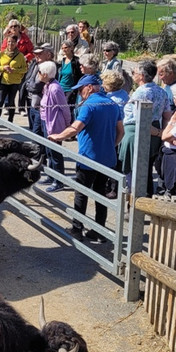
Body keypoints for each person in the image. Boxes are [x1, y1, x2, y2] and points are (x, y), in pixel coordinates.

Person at [50, 74, 124, 242]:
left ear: (89, 88)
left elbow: (75, 128)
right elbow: (121, 131)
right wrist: (111, 145)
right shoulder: (112, 104)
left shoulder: (89, 105)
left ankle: (77, 228)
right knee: (100, 194)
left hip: (88, 159)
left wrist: (57, 136)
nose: (79, 94)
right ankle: (99, 231)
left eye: (81, 90)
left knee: (81, 193)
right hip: (107, 160)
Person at [117, 60, 171, 198]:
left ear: (141, 76)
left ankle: (135, 201)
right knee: (146, 169)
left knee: (133, 170)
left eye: (133, 72)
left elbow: (139, 119)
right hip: (153, 133)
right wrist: (162, 133)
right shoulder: (161, 91)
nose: (132, 75)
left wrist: (158, 132)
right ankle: (146, 197)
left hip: (137, 133)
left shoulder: (141, 93)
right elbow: (167, 116)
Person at [38, 59, 71, 192]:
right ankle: (51, 176)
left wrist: (68, 124)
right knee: (48, 152)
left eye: (40, 72)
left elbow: (64, 107)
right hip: (46, 121)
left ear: (45, 74)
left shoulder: (55, 88)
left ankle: (59, 181)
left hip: (54, 125)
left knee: (55, 153)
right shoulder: (47, 86)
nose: (38, 74)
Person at [23, 43, 56, 163]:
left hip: (40, 106)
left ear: (48, 54)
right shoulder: (34, 64)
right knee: (33, 131)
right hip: (31, 102)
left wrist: (30, 86)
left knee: (37, 134)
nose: (36, 56)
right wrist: (30, 86)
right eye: (35, 54)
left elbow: (36, 86)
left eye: (39, 54)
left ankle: (38, 160)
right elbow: (27, 80)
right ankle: (40, 157)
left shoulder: (50, 68)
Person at [0, 41, 27, 131]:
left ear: (16, 44)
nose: (10, 44)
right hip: (4, 81)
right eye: (9, 42)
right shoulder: (2, 54)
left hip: (14, 82)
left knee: (11, 102)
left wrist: (14, 70)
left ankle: (10, 122)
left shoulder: (20, 56)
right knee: (0, 102)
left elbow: (25, 69)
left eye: (13, 42)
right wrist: (3, 68)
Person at [57, 40, 83, 105]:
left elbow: (80, 75)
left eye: (66, 47)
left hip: (70, 90)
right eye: (62, 48)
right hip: (61, 88)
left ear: (71, 48)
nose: (64, 50)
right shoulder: (62, 60)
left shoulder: (76, 61)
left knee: (67, 107)